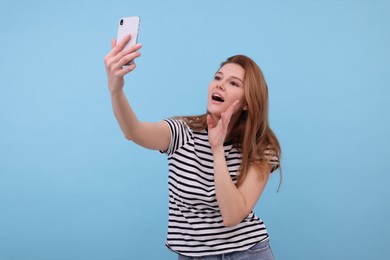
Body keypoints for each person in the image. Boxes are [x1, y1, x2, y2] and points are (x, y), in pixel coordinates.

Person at [104, 34, 281, 260]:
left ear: (247, 103)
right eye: (218, 77)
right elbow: (134, 132)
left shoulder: (260, 148)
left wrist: (217, 149)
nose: (220, 84)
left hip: (247, 253)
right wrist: (116, 90)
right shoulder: (182, 133)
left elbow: (232, 216)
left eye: (233, 83)